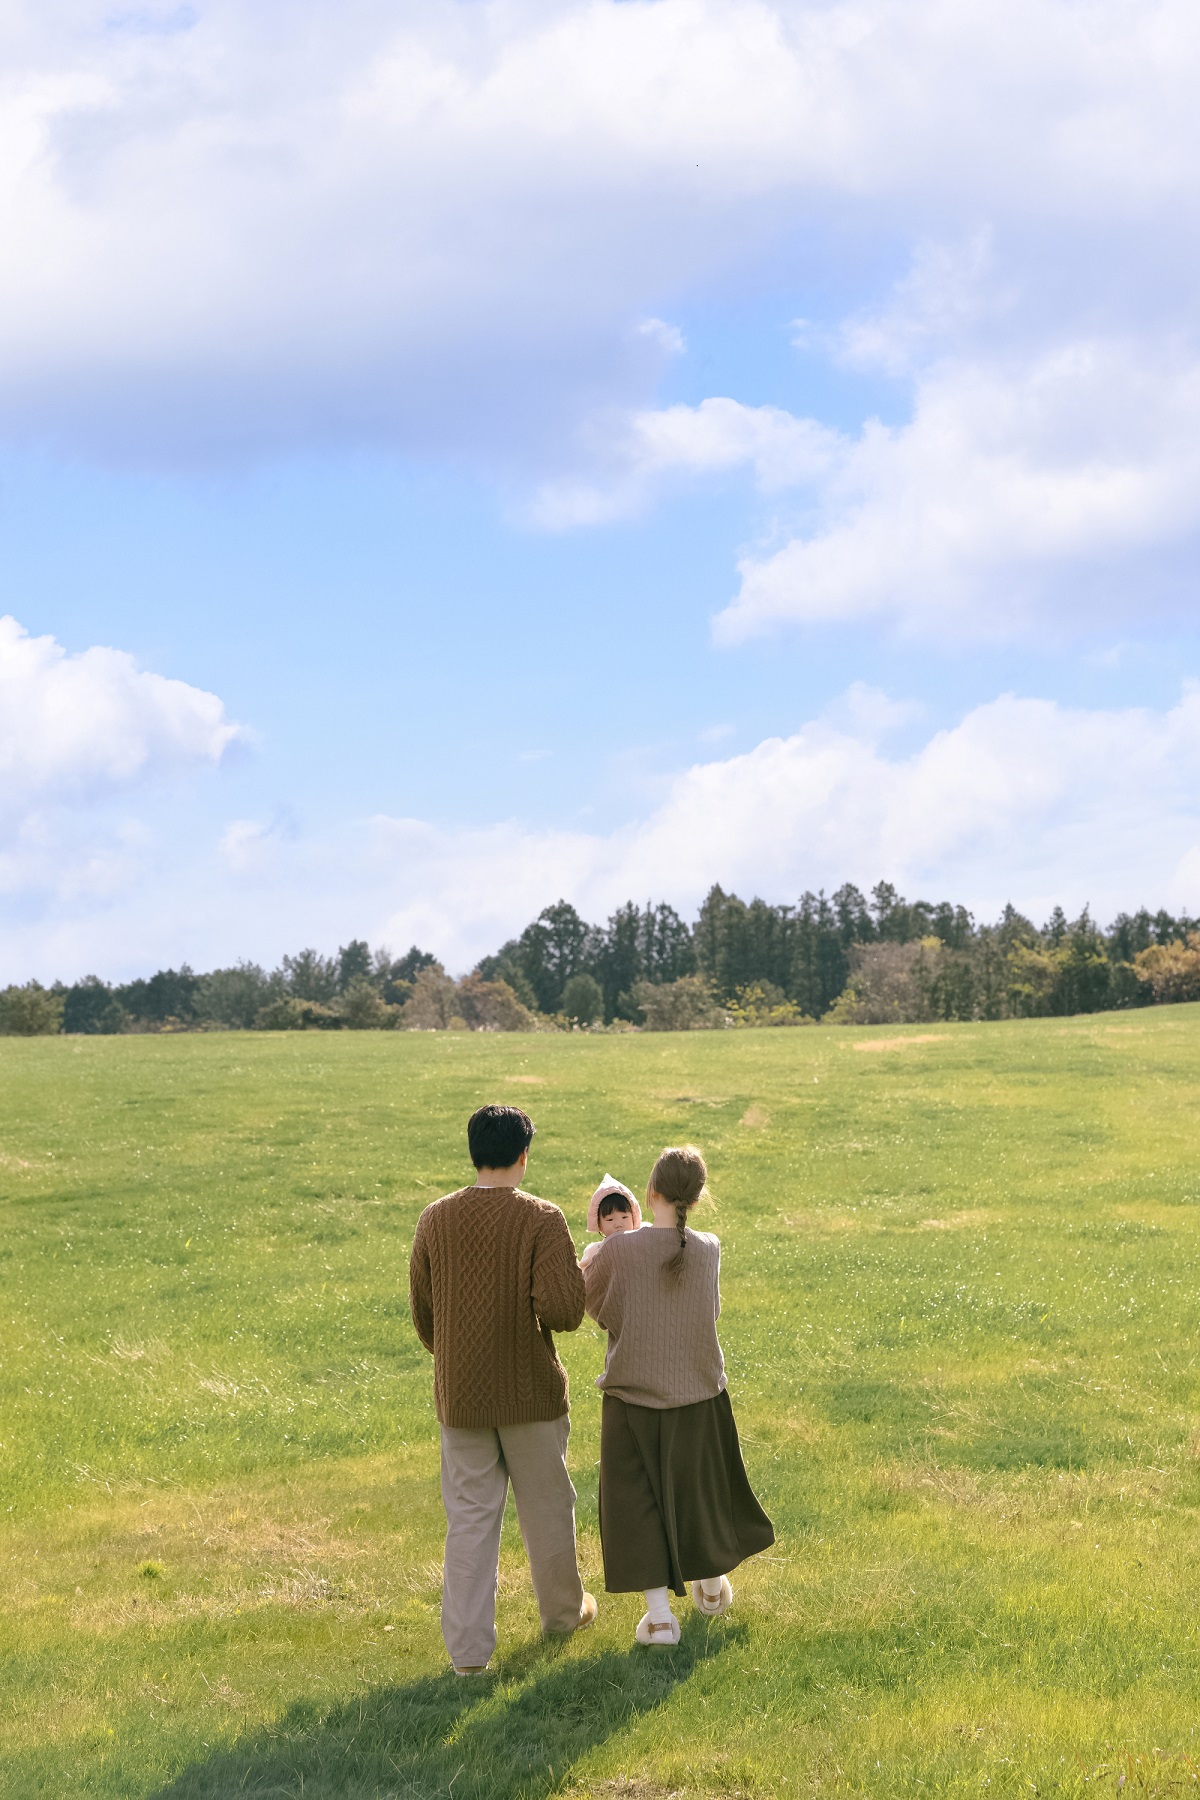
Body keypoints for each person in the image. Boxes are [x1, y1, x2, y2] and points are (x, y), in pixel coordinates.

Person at [409, 1103, 597, 1675]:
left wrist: (458, 1356)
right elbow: (566, 1311)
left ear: (474, 1152)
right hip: (530, 1394)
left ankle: (468, 1655)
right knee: (546, 1507)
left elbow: (424, 1314)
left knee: (469, 1518)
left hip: (461, 1395)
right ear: (523, 1154)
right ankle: (564, 1615)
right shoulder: (542, 1218)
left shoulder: (434, 1219)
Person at [583, 1143, 774, 1647]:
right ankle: (710, 1585)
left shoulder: (618, 1251)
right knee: (699, 1491)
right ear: (698, 1195)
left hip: (633, 1395)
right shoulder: (709, 1247)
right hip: (699, 1393)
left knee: (636, 1502)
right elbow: (706, 1312)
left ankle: (661, 1616)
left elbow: (596, 1306)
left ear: (650, 1193)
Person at [580, 1174, 642, 1267]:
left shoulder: (642, 1242)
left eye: (624, 1217)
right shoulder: (595, 1252)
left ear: (634, 1218)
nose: (618, 1224)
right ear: (599, 1224)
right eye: (610, 1219)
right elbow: (583, 1274)